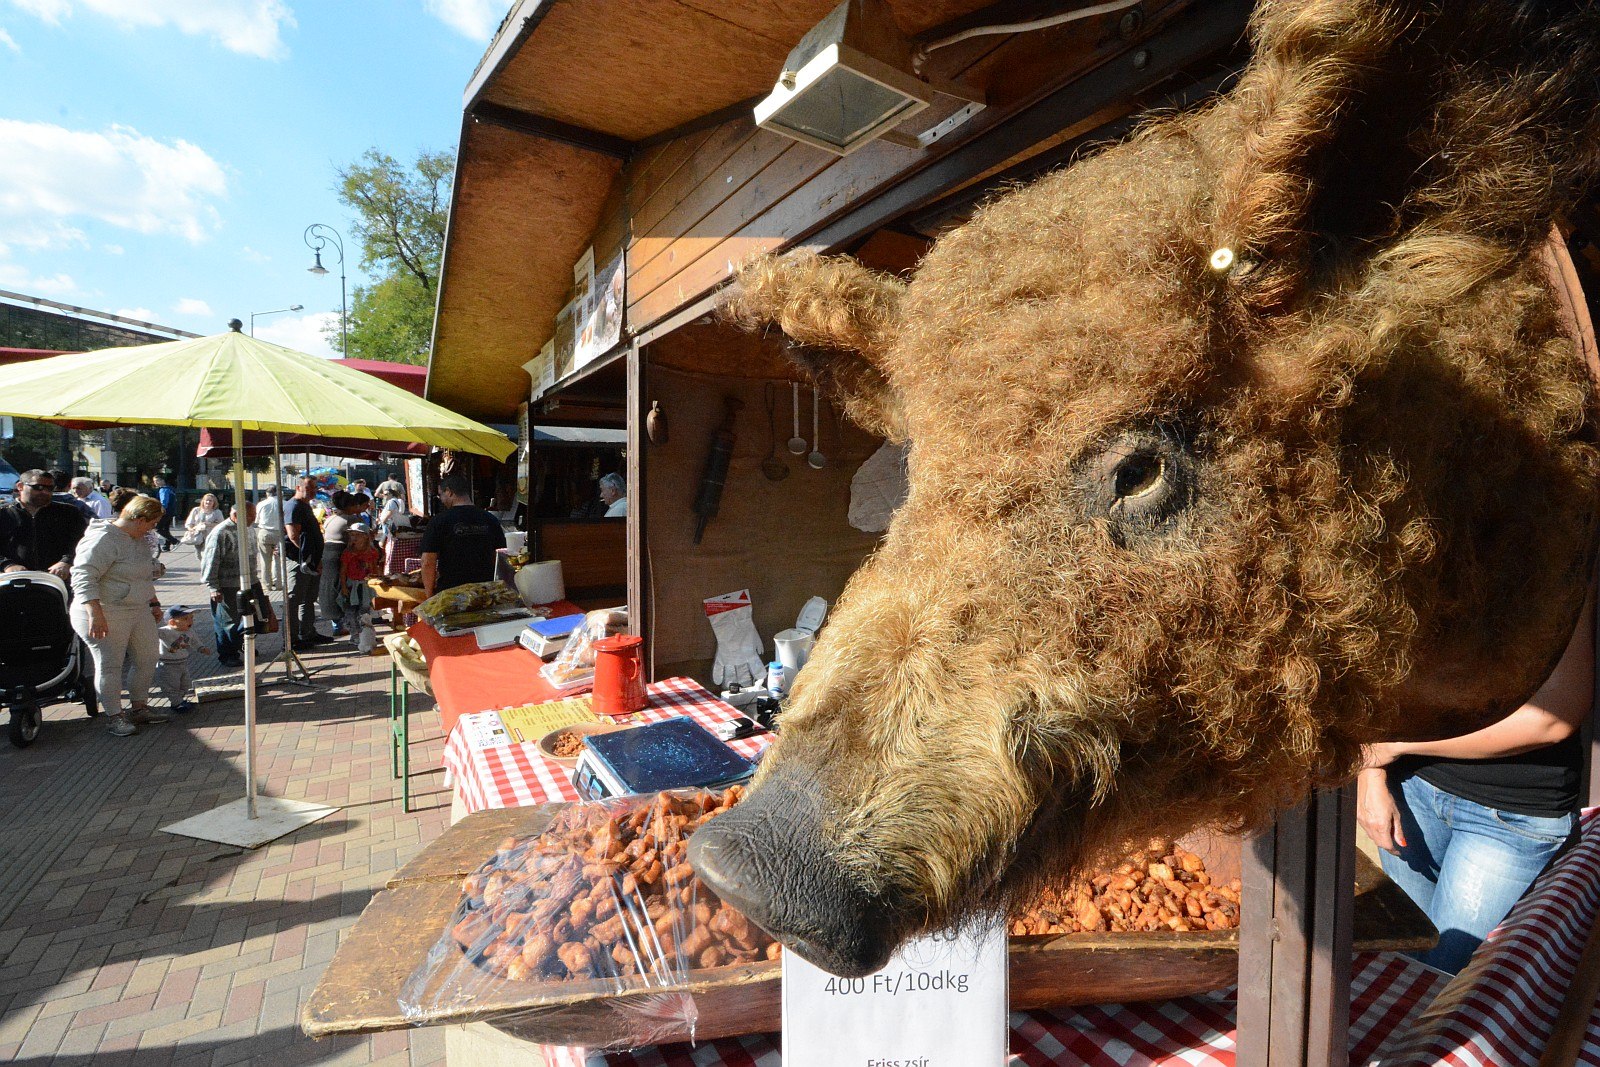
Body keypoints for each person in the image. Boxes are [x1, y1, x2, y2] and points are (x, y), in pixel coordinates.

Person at [1357, 595, 1594, 974]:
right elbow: (1374, 651)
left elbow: (1554, 715)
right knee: (1404, 969)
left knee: (1446, 989)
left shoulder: (1561, 540)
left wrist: (1389, 748)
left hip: (1510, 817)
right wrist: (1371, 770)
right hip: (1408, 789)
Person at [70, 494, 169, 737]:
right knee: (110, 664)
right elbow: (83, 577)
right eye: (153, 523)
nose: (153, 528)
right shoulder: (103, 538)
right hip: (104, 610)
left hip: (137, 608)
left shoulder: (137, 538)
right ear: (139, 519)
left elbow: (143, 574)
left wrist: (153, 602)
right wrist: (95, 613)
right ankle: (115, 716)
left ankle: (140, 707)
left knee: (148, 657)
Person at [419, 472, 505, 598]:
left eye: (441, 495)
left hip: (451, 594)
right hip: (485, 592)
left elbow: (427, 562)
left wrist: (429, 595)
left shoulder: (439, 521)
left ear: (449, 491)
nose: (441, 500)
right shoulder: (490, 519)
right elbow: (499, 557)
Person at [0, 469, 88, 578]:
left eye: (50, 488)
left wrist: (67, 561)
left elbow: (84, 542)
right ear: (20, 486)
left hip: (59, 580)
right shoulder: (4, 513)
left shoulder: (68, 513)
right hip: (12, 580)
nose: (45, 492)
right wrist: (7, 565)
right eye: (38, 487)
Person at [202, 503, 259, 669]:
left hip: (249, 580)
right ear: (236, 515)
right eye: (250, 516)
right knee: (226, 621)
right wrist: (213, 586)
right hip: (227, 584)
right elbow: (211, 561)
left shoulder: (249, 529)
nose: (253, 519)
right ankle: (227, 654)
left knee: (249, 617)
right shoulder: (221, 532)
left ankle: (243, 645)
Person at [283, 475, 330, 649]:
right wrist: (308, 558)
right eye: (309, 488)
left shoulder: (306, 506)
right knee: (294, 599)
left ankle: (307, 632)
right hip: (299, 561)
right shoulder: (293, 506)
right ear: (298, 488)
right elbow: (293, 535)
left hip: (311, 561)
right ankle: (291, 640)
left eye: (315, 488)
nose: (313, 492)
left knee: (309, 598)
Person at [319, 491, 364, 636]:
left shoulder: (331, 518)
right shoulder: (350, 519)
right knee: (343, 589)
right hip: (341, 556)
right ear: (350, 505)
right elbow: (360, 539)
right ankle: (348, 624)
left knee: (331, 589)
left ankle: (337, 624)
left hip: (327, 555)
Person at [155, 606, 211, 713]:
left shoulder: (189, 631)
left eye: (191, 618)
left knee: (185, 683)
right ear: (172, 622)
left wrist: (202, 648)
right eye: (185, 619)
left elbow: (195, 642)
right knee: (171, 684)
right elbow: (152, 632)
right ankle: (176, 703)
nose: (190, 621)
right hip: (167, 664)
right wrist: (155, 620)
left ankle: (180, 700)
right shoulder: (164, 631)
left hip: (182, 662)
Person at [338, 523, 382, 652]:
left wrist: (376, 581)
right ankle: (355, 634)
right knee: (351, 611)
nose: (354, 538)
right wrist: (344, 586)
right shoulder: (347, 553)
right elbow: (343, 571)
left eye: (358, 535)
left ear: (366, 537)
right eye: (352, 535)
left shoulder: (372, 552)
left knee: (365, 610)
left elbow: (374, 568)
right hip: (352, 585)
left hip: (366, 585)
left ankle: (366, 634)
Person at [106, 487, 164, 582]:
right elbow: (86, 577)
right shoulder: (105, 537)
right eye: (153, 524)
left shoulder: (139, 534)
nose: (153, 528)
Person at [183, 493, 225, 563]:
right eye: (206, 500)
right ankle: (204, 566)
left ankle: (208, 569)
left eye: (210, 501)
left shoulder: (217, 512)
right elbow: (189, 523)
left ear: (214, 502)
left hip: (211, 536)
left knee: (208, 554)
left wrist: (210, 524)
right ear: (203, 501)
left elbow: (222, 524)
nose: (208, 502)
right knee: (198, 555)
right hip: (197, 536)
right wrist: (192, 529)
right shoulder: (196, 510)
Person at [257, 485, 284, 591]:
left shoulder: (261, 504)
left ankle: (266, 584)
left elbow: (257, 520)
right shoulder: (283, 503)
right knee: (279, 559)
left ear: (267, 494)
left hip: (265, 532)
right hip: (279, 533)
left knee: (265, 559)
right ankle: (278, 583)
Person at [153, 476, 178, 551]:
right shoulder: (170, 489)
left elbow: (164, 502)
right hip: (171, 512)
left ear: (163, 480)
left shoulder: (164, 490)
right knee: (166, 529)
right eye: (154, 481)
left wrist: (160, 511)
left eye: (157, 480)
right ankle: (166, 546)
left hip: (165, 512)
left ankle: (175, 541)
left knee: (158, 528)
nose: (156, 483)